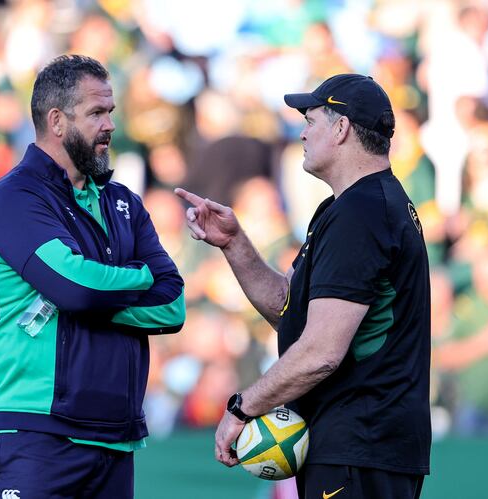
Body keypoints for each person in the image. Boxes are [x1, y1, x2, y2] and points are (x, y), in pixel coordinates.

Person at [176, 74, 431, 499]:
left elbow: (320, 352)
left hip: (360, 444)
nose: (302, 133)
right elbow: (288, 308)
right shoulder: (348, 206)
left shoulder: (363, 212)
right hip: (355, 446)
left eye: (310, 120)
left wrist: (244, 407)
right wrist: (234, 243)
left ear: (342, 128)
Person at [0, 55, 185, 499]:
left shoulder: (123, 202)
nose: (110, 124)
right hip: (33, 432)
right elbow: (76, 289)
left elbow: (173, 303)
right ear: (56, 120)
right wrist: (136, 276)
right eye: (96, 113)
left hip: (115, 436)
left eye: (110, 111)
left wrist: (88, 299)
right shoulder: (13, 197)